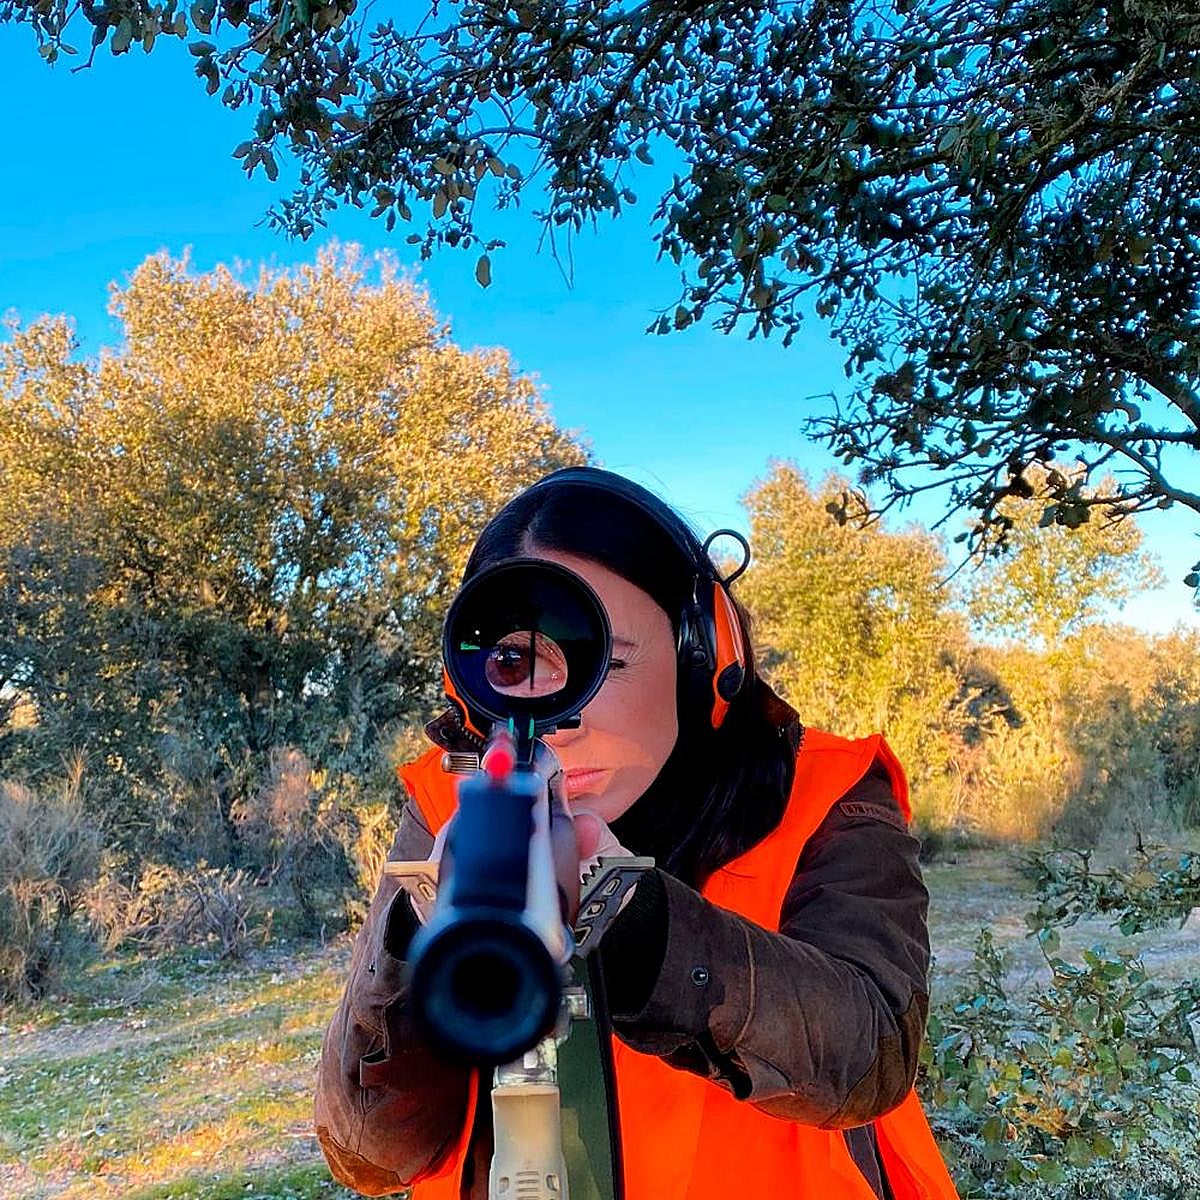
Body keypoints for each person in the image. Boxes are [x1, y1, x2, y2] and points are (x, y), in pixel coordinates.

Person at [314, 467, 958, 1200]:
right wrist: (420, 934)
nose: (559, 714)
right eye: (516, 662)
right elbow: (371, 1153)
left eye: (605, 661)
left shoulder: (825, 792)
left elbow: (869, 1051)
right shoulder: (449, 800)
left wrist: (640, 925)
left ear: (705, 656)